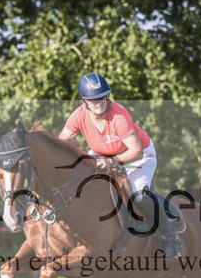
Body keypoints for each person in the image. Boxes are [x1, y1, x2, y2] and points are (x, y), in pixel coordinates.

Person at [58, 72, 182, 258]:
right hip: (104, 155)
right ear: (84, 101)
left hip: (139, 156)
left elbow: (136, 151)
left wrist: (112, 161)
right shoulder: (78, 116)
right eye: (93, 99)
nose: (99, 102)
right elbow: (61, 142)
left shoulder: (119, 116)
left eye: (102, 97)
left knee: (138, 195)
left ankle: (171, 237)